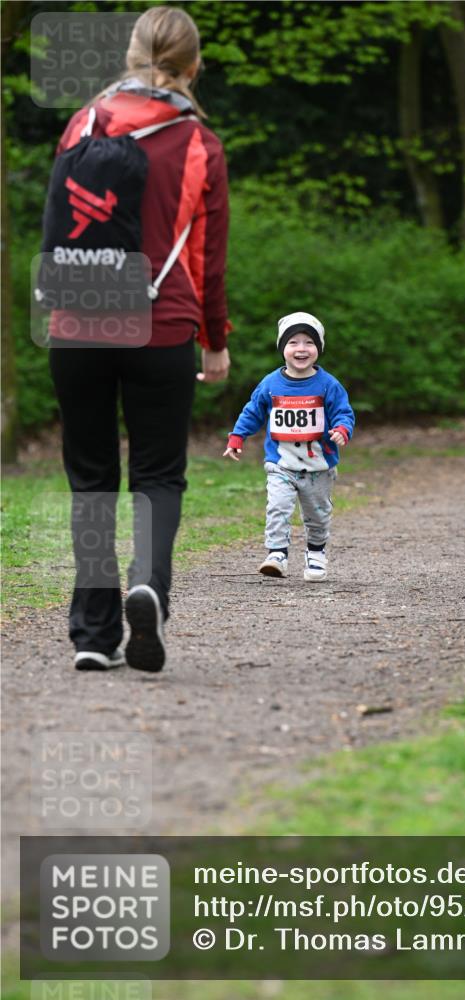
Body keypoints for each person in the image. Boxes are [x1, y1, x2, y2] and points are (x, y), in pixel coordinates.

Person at [46, 6, 231, 673]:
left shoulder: (82, 123)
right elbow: (207, 258)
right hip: (160, 322)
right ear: (193, 65)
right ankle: (148, 582)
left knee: (91, 479)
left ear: (130, 57)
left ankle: (94, 636)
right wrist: (215, 339)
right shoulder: (198, 144)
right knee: (157, 474)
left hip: (75, 321)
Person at [223, 312, 355, 582]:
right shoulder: (271, 383)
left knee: (318, 514)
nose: (301, 349)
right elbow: (252, 411)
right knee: (278, 507)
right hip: (280, 463)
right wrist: (237, 436)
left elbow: (344, 413)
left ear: (319, 348)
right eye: (293, 342)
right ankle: (277, 554)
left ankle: (316, 553)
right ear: (282, 347)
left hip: (319, 465)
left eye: (309, 342)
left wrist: (342, 430)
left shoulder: (328, 385)